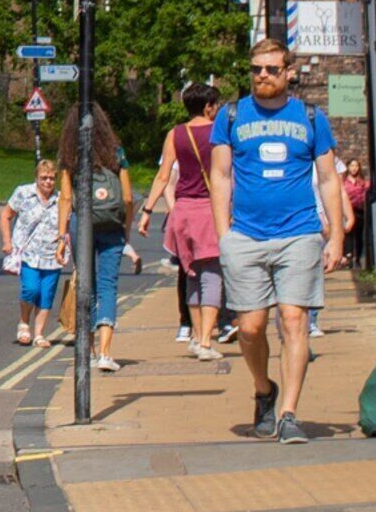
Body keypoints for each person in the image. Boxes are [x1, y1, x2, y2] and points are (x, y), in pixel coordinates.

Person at [214, 39, 346, 443]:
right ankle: (264, 391)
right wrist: (224, 235)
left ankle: (289, 413)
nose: (263, 76)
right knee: (250, 329)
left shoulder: (310, 117)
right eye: (256, 69)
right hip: (247, 236)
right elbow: (219, 176)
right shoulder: (231, 115)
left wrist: (336, 236)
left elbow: (328, 179)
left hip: (300, 234)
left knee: (293, 320)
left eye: (271, 69)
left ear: (289, 72)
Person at [143, 83, 227, 361]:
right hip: (209, 210)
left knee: (191, 274)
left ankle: (194, 335)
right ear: (207, 106)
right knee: (212, 274)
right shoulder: (219, 132)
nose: (216, 110)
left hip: (182, 212)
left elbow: (163, 176)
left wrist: (147, 210)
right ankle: (204, 341)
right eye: (214, 105)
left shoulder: (175, 134)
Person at [73, 105, 136, 376]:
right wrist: (127, 230)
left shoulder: (71, 152)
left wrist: (62, 234)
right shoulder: (117, 152)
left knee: (85, 283)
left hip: (83, 225)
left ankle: (86, 352)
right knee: (108, 286)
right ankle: (106, 353)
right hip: (112, 225)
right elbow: (128, 198)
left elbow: (66, 198)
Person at [4, 158, 69, 347]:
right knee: (31, 289)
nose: (48, 182)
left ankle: (39, 333)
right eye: (44, 178)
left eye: (51, 178)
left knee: (46, 294)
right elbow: (6, 215)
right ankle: (24, 323)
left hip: (53, 254)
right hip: (28, 254)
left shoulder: (61, 200)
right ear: (36, 178)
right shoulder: (23, 193)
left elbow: (67, 226)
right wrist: (7, 241)